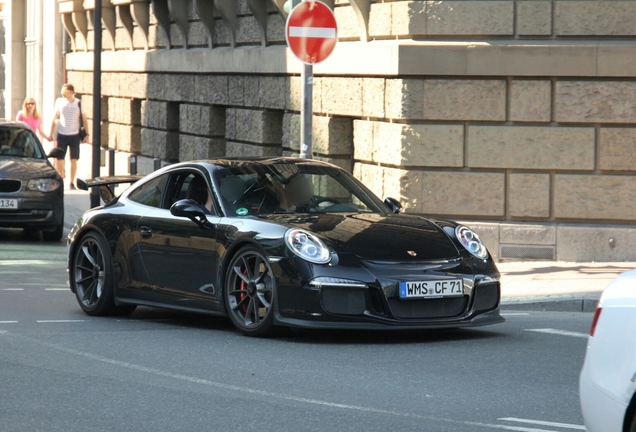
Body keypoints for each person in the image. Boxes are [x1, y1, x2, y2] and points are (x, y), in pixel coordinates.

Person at [49, 83, 89, 190]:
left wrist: (87, 135)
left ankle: (71, 182)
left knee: (73, 159)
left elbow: (84, 120)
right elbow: (54, 118)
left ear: (71, 92)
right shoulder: (59, 102)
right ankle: (61, 177)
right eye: (62, 92)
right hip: (62, 134)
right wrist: (50, 134)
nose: (63, 94)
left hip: (74, 135)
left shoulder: (79, 103)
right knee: (59, 159)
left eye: (65, 92)